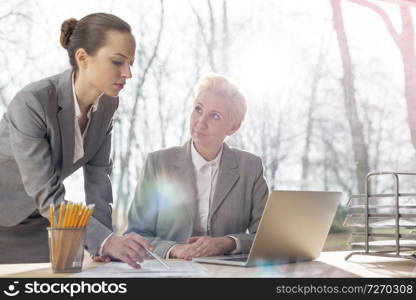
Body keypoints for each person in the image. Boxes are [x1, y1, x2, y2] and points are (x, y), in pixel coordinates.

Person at [0, 13, 151, 268]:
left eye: (130, 63)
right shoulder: (32, 103)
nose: (128, 73)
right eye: (117, 62)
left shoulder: (107, 104)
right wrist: (105, 239)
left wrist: (104, 243)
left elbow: (98, 177)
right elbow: (47, 194)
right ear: (82, 58)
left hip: (40, 220)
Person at [125, 74, 269, 259]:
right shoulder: (158, 163)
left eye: (215, 116)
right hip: (170, 271)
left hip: (227, 274)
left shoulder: (250, 167)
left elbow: (265, 237)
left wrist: (228, 243)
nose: (201, 121)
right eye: (198, 109)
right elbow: (136, 233)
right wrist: (174, 249)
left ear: (233, 127)